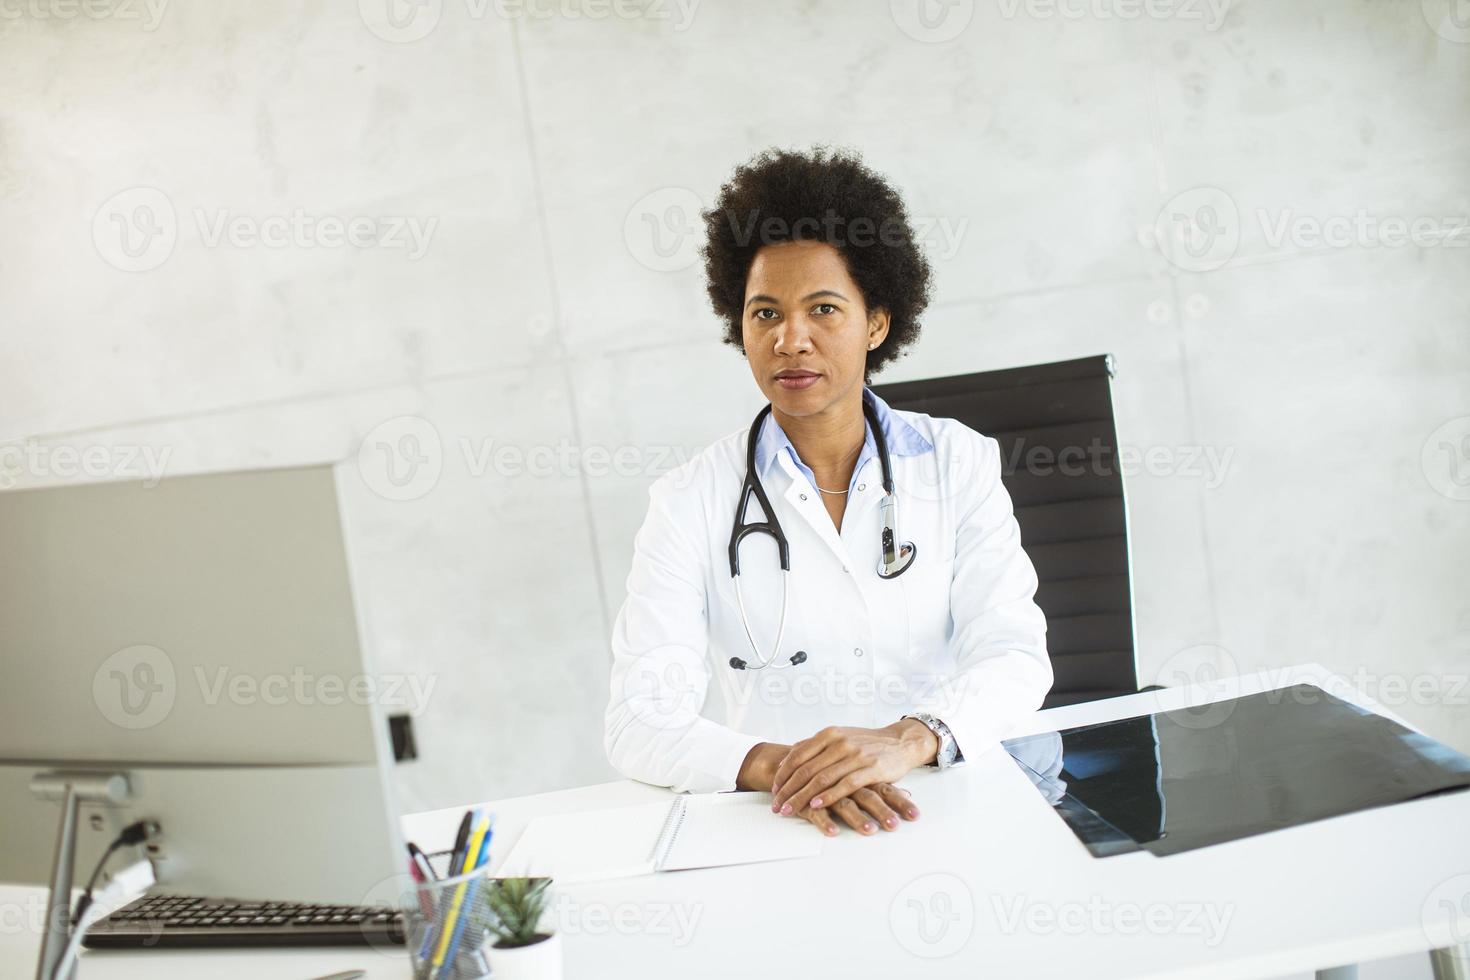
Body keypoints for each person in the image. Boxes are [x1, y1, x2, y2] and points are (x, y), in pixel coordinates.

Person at [604, 146, 1051, 838]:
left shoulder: (955, 462)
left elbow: (1015, 658)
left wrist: (907, 738)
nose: (791, 339)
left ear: (876, 322)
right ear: (739, 328)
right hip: (784, 823)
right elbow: (639, 719)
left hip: (948, 803)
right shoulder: (688, 501)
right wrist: (784, 767)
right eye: (764, 315)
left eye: (823, 309)